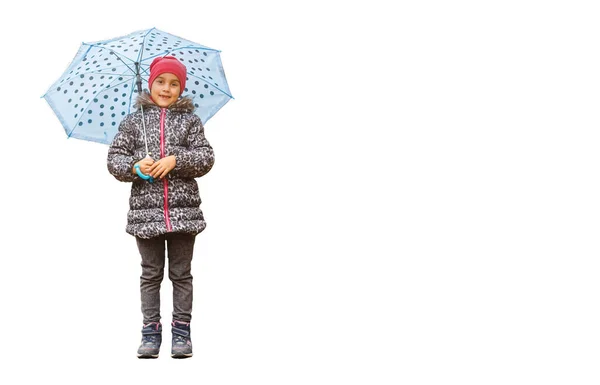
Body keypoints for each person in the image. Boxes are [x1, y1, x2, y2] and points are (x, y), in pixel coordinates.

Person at [107, 56, 215, 359]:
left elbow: (206, 158)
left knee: (181, 273)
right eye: (160, 82)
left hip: (184, 215)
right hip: (146, 215)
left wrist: (176, 160)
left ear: (181, 88)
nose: (166, 89)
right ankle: (150, 332)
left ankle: (182, 332)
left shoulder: (191, 122)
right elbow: (114, 160)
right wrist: (135, 167)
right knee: (151, 273)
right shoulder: (132, 122)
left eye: (174, 83)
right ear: (150, 83)